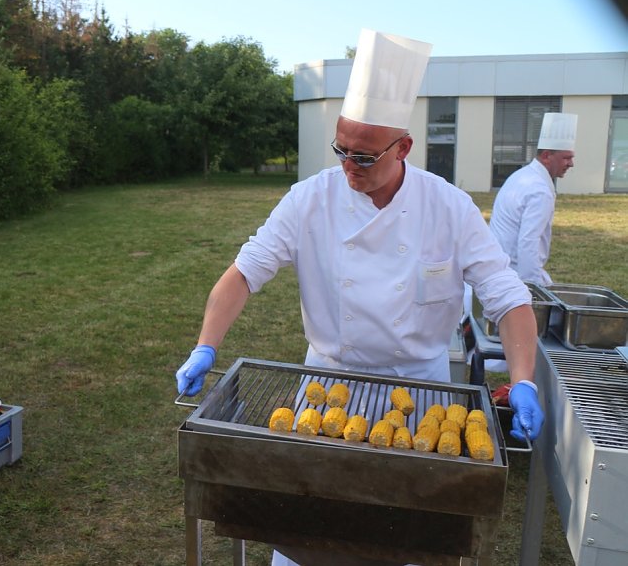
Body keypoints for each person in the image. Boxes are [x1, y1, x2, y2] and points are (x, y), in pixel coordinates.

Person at [174, 29, 544, 566]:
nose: (349, 166)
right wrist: (206, 345)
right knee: (309, 531)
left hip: (420, 395)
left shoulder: (450, 207)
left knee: (406, 539)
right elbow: (244, 273)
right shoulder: (310, 200)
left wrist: (526, 378)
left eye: (365, 157)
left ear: (403, 149)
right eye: (341, 150)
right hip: (327, 385)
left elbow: (507, 296)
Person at [489, 112, 577, 286]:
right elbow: (528, 243)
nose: (571, 163)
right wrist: (533, 289)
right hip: (515, 275)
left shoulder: (521, 176)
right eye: (566, 158)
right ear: (546, 156)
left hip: (499, 268)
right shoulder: (539, 191)